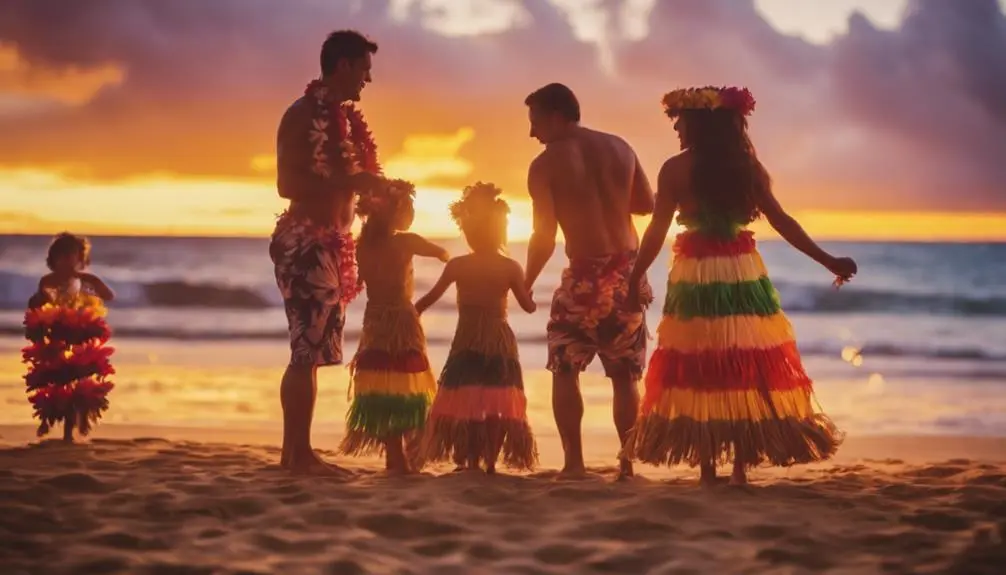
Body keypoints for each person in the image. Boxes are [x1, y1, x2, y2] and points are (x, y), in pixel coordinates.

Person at [621, 86, 855, 485]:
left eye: (681, 120)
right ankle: (740, 469)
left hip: (696, 273)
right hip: (741, 271)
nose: (676, 128)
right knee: (742, 362)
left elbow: (657, 230)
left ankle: (708, 467)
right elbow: (783, 222)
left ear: (699, 123)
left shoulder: (674, 169)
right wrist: (827, 260)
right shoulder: (746, 167)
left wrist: (635, 276)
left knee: (702, 362)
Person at [523, 83, 656, 480]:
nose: (532, 133)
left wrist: (525, 282)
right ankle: (626, 465)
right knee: (624, 375)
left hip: (584, 279)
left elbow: (544, 236)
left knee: (565, 367)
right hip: (628, 276)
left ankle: (574, 464)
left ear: (557, 116)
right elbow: (646, 204)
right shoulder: (621, 148)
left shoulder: (544, 165)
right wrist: (610, 196)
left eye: (535, 122)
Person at [270, 30, 385, 475]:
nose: (367, 80)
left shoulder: (347, 122)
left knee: (313, 353)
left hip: (335, 245)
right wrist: (350, 182)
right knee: (304, 352)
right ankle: (296, 454)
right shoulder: (301, 115)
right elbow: (287, 185)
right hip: (306, 242)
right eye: (364, 70)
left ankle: (297, 453)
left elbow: (350, 182)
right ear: (343, 66)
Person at [416, 182, 538, 474]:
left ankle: (471, 460)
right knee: (497, 401)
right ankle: (491, 462)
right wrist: (529, 294)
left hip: (467, 341)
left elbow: (428, 299)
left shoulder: (458, 265)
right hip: (498, 341)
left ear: (469, 232)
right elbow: (528, 307)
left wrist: (411, 314)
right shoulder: (510, 267)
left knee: (469, 400)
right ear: (500, 232)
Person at [339, 179, 445, 475]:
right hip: (401, 319)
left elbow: (354, 279)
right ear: (395, 212)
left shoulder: (363, 245)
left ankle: (394, 454)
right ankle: (408, 452)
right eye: (408, 208)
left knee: (383, 383)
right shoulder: (406, 242)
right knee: (407, 382)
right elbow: (442, 253)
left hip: (374, 320)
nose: (411, 214)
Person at [30, 232, 115, 308]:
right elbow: (38, 305)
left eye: (68, 256)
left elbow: (109, 296)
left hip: (80, 318)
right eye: (60, 256)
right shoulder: (47, 280)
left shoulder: (86, 279)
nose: (64, 261)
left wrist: (93, 281)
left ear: (80, 259)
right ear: (53, 259)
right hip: (55, 318)